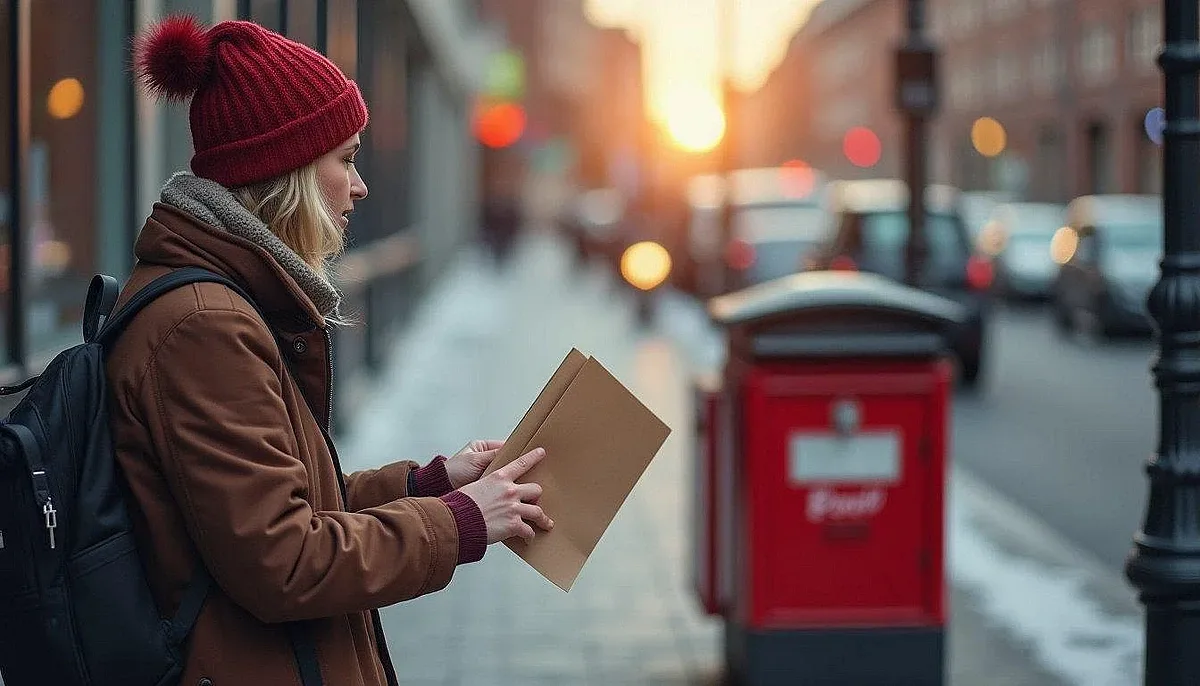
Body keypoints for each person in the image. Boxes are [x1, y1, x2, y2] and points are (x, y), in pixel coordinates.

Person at [108, 15, 553, 685]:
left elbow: (282, 504)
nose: (360, 185)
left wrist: (430, 484)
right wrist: (460, 521)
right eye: (343, 158)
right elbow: (284, 560)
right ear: (282, 168)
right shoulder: (203, 326)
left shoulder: (228, 305)